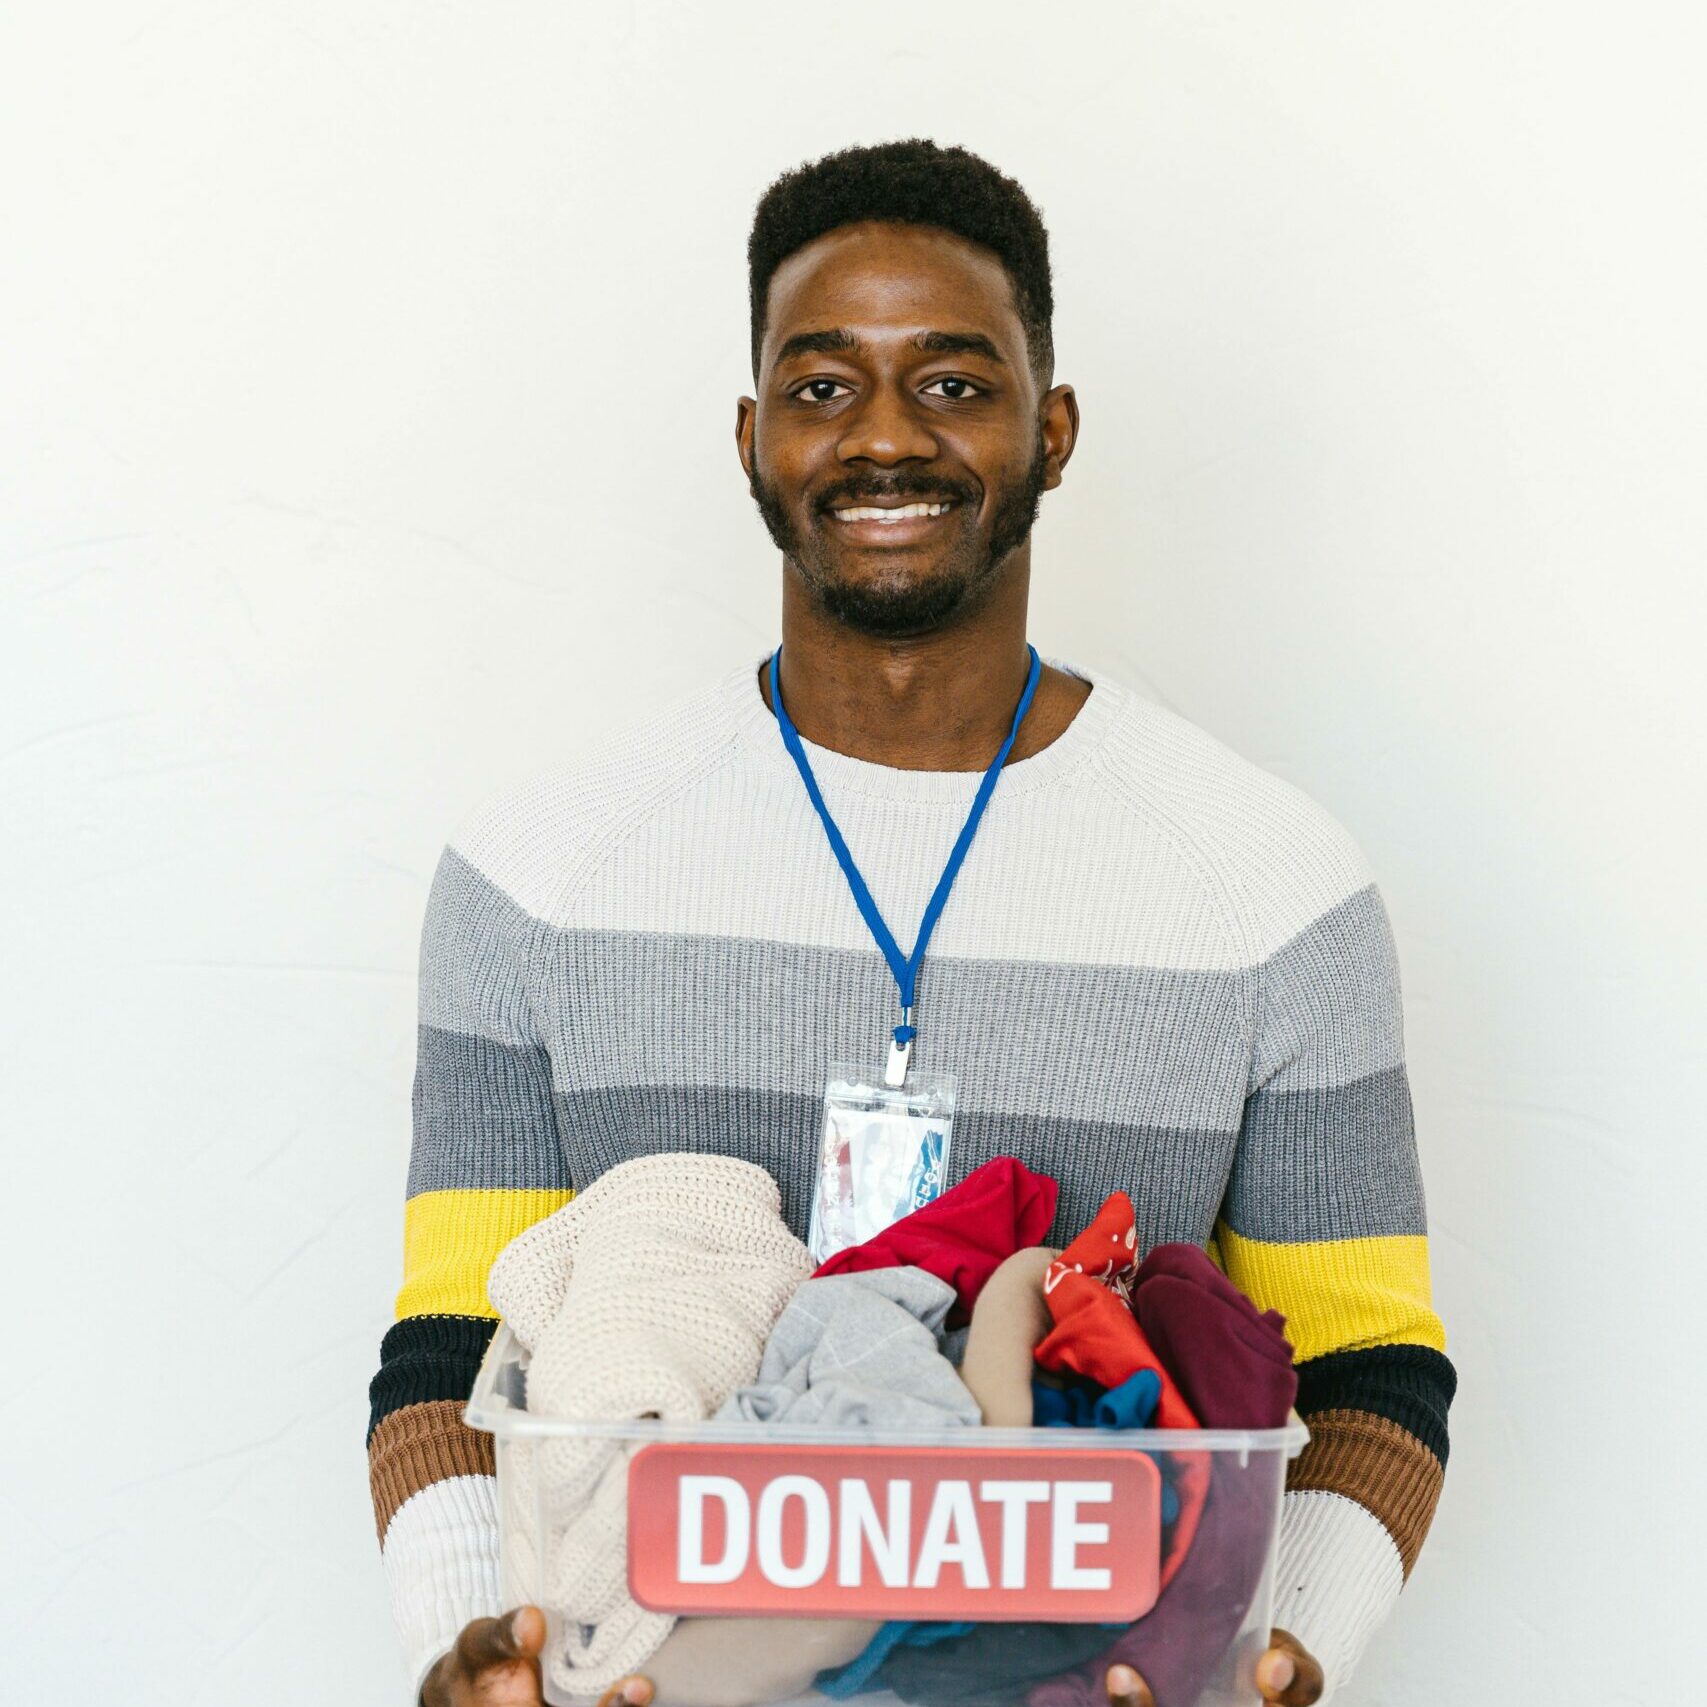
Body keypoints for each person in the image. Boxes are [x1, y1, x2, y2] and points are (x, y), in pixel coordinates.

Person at [366, 139, 1454, 1707]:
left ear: (1053, 429)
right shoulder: (536, 876)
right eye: (822, 388)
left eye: (951, 383)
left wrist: (1266, 1660)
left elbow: (1368, 1373)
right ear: (750, 439)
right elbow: (454, 1356)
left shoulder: (1272, 890)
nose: (885, 436)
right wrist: (472, 1658)